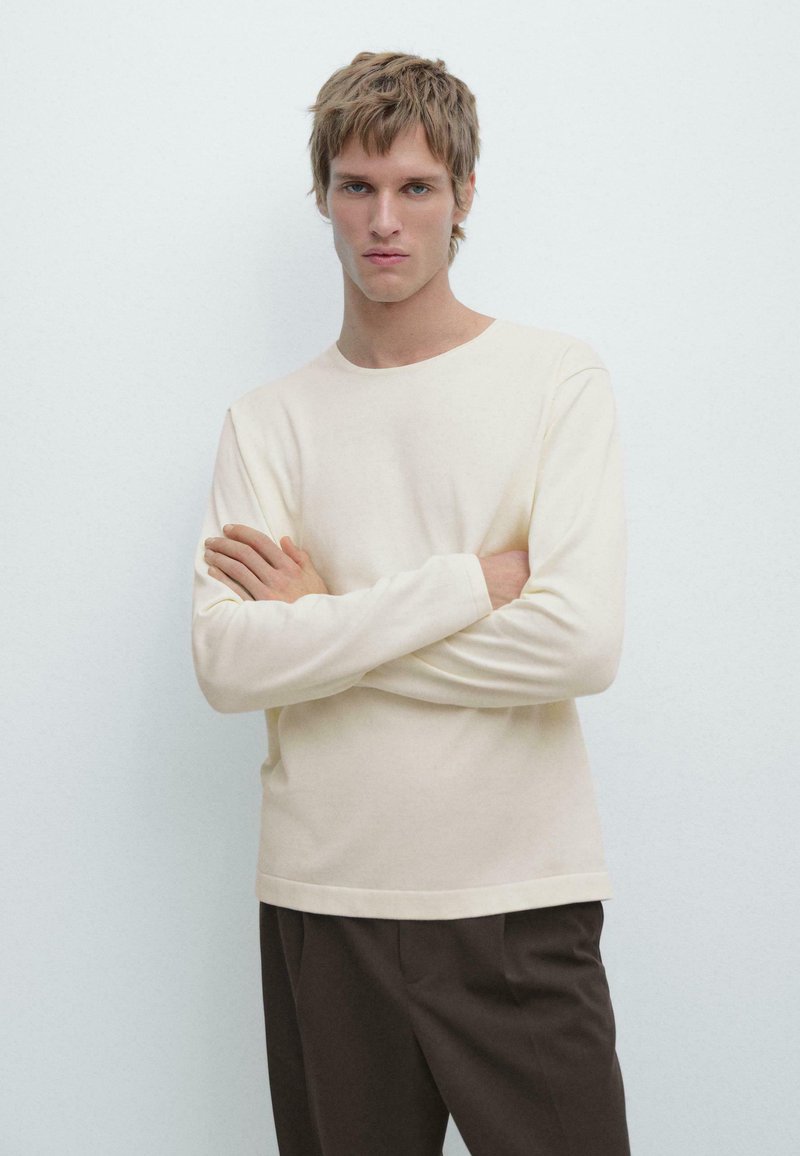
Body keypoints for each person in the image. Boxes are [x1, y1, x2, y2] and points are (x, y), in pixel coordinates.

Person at [191, 49, 631, 1156]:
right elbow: (230, 664)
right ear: (324, 196)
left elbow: (578, 642)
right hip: (324, 898)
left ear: (463, 194)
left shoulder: (554, 380)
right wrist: (462, 586)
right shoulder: (267, 422)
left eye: (415, 187)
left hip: (518, 901)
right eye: (356, 185)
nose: (383, 220)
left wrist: (322, 620)